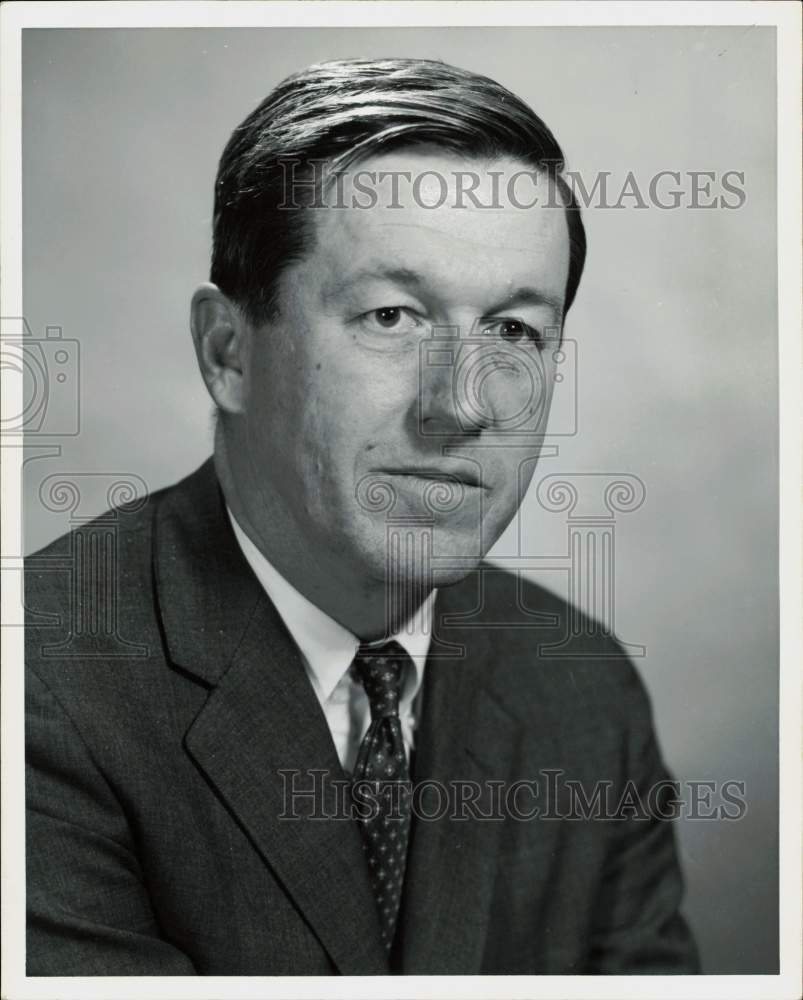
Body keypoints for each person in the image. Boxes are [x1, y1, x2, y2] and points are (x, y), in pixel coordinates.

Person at [25, 58, 699, 975]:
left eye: (513, 330)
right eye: (391, 316)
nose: (462, 406)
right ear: (228, 353)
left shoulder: (583, 692)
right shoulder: (41, 685)